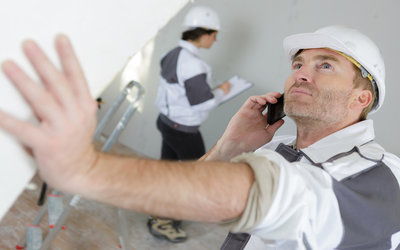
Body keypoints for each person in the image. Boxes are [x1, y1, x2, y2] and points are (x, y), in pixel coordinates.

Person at [0, 25, 399, 249]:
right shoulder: (277, 148)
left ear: (361, 98)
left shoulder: (385, 178)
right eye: (298, 63)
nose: (301, 73)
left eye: (324, 64)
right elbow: (203, 203)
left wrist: (85, 169)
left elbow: (287, 199)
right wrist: (230, 147)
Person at [152, 6, 231, 242]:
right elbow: (201, 104)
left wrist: (210, 89)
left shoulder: (173, 53)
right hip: (183, 131)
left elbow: (181, 90)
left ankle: (157, 212)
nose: (215, 40)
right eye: (214, 34)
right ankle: (164, 222)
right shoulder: (194, 65)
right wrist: (223, 92)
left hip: (166, 123)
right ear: (204, 33)